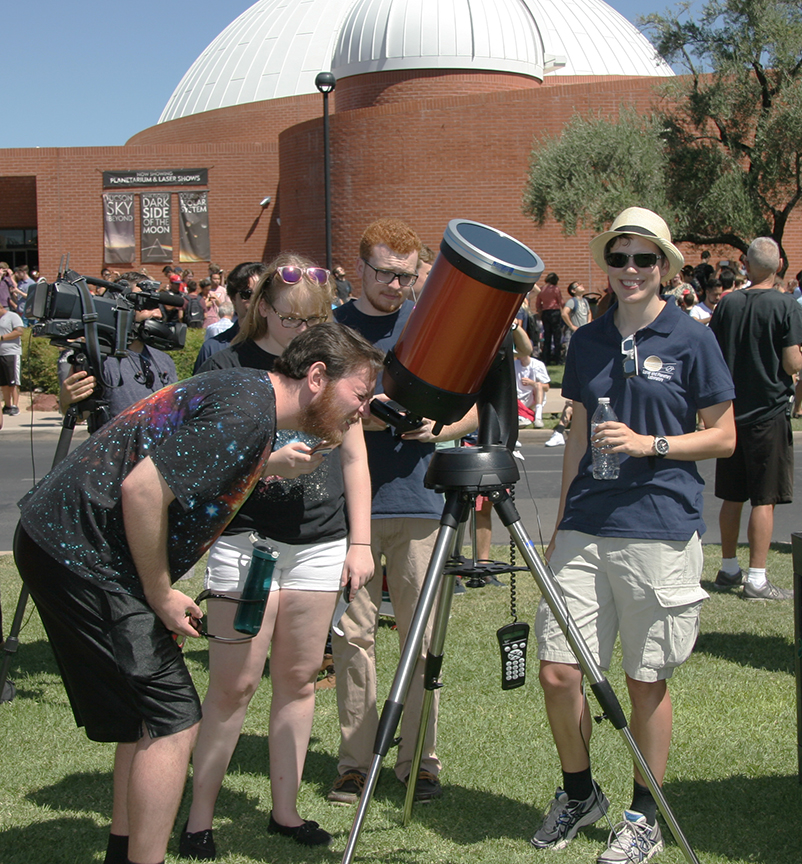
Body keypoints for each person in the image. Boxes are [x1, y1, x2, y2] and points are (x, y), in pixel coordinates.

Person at [14, 323, 384, 864]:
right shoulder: (249, 412)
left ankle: (125, 851)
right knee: (173, 717)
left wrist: (265, 463)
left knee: (145, 715)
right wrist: (161, 593)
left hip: (69, 543)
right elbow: (141, 489)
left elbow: (188, 454)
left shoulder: (251, 396)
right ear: (317, 377)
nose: (363, 410)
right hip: (81, 553)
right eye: (359, 394)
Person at [532, 207, 735, 862]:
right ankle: (579, 792)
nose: (630, 271)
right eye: (618, 259)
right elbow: (578, 442)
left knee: (645, 679)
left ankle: (645, 814)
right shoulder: (588, 340)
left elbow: (725, 435)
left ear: (665, 268)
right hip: (586, 526)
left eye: (643, 259)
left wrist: (653, 443)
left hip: (660, 525)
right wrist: (559, 524)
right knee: (559, 672)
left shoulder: (691, 338)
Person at [180, 254, 375, 858]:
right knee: (233, 688)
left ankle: (285, 813)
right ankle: (199, 820)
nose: (300, 329)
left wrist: (361, 542)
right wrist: (268, 466)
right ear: (262, 305)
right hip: (246, 546)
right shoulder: (227, 364)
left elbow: (354, 457)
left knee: (297, 681)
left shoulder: (334, 365)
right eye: (290, 318)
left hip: (318, 546)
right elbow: (195, 461)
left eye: (313, 318)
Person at [329, 218, 477, 805]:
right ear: (359, 268)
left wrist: (437, 427)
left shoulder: (432, 325)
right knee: (353, 638)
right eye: (385, 273)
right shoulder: (334, 330)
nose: (395, 285)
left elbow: (478, 413)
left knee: (421, 642)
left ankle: (420, 761)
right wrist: (366, 415)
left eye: (407, 275)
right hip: (350, 512)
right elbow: (312, 407)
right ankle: (355, 763)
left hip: (422, 502)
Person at [710, 236, 802, 600]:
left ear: (745, 265)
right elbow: (792, 363)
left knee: (732, 495)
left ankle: (729, 567)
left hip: (730, 413)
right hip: (768, 411)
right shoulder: (786, 305)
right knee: (764, 498)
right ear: (779, 265)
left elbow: (713, 353)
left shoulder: (727, 304)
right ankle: (758, 578)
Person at [59, 273, 178, 422]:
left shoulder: (164, 360)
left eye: (157, 306)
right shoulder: (99, 358)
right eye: (147, 305)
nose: (158, 314)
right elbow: (79, 416)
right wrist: (66, 402)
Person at [193, 262, 268, 372]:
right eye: (247, 294)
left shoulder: (285, 348)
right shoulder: (213, 349)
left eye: (262, 294)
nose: (256, 301)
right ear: (233, 299)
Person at [0, 299, 25, 416]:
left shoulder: (12, 316)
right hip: (1, 354)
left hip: (11, 353)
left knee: (13, 381)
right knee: (3, 383)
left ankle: (15, 405)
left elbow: (19, 331)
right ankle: (7, 405)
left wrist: (2, 338)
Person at [536, 272, 564, 365]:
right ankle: (558, 359)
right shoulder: (556, 289)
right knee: (557, 336)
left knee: (547, 336)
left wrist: (540, 312)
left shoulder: (541, 289)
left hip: (545, 313)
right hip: (554, 312)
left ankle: (546, 358)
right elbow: (561, 301)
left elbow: (538, 304)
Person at [561, 282, 592, 350]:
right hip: (575, 333)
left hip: (585, 332)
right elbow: (564, 313)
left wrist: (589, 322)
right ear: (573, 291)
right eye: (578, 285)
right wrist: (572, 326)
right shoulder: (572, 301)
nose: (581, 286)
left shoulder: (585, 301)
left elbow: (589, 312)